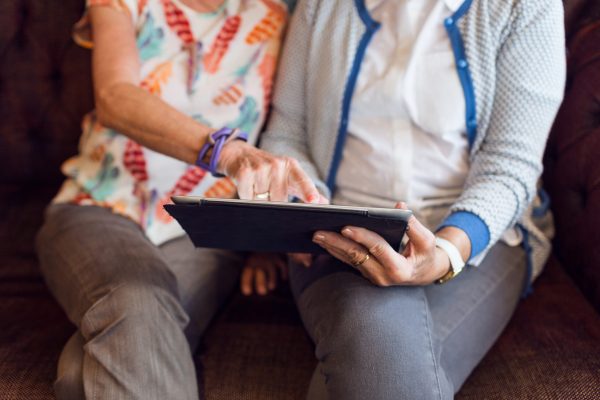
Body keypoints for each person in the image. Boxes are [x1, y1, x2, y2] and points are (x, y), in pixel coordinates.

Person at [235, 0, 565, 398]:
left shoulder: (524, 7)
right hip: (337, 232)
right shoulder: (320, 6)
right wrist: (306, 205)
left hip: (478, 237)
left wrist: (443, 253)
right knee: (372, 332)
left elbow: (510, 165)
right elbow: (287, 132)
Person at [35, 0, 313, 399]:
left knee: (82, 373)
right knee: (134, 296)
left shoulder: (275, 15)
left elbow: (286, 128)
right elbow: (115, 95)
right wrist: (225, 152)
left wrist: (268, 235)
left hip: (205, 226)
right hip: (98, 206)